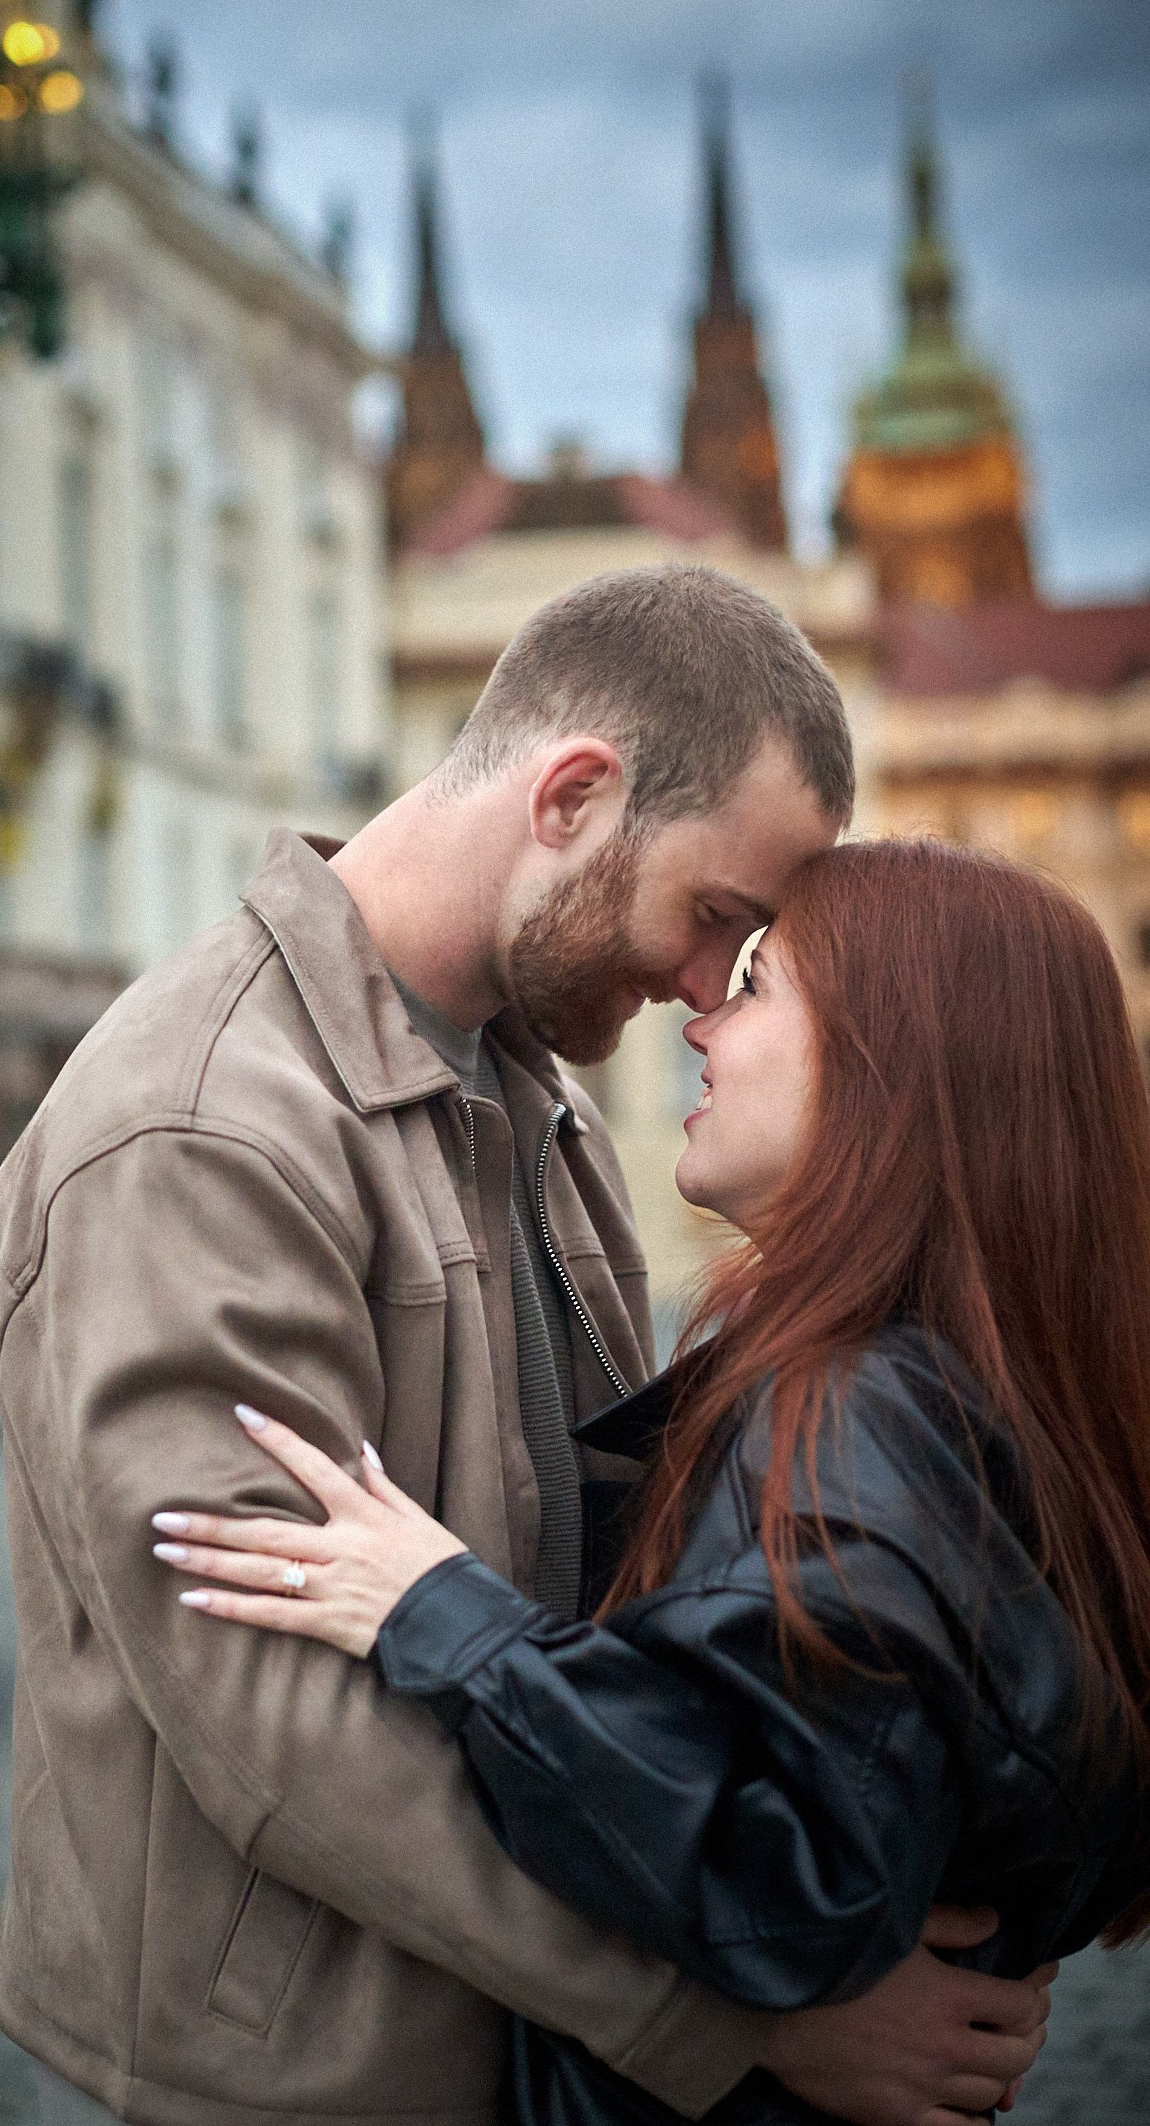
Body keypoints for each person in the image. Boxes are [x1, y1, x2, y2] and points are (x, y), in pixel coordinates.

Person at [0, 567, 1051, 2126]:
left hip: (519, 2051)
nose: (706, 992)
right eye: (720, 918)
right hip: (310, 2078)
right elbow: (268, 1721)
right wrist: (731, 2019)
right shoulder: (202, 1123)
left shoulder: (529, 1080)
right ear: (573, 797)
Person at [154, 836, 1150, 2126]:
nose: (702, 1023)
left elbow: (774, 1879)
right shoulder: (974, 1389)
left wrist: (437, 1613)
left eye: (757, 982)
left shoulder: (855, 1410)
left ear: (890, 1068)